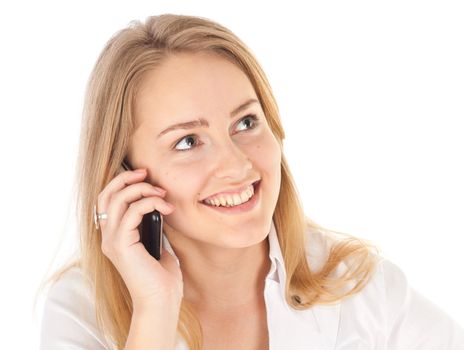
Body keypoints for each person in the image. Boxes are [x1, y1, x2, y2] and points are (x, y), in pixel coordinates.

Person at [38, 14, 464, 350]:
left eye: (245, 122)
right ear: (124, 175)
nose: (237, 164)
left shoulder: (362, 288)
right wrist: (153, 310)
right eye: (188, 141)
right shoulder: (81, 309)